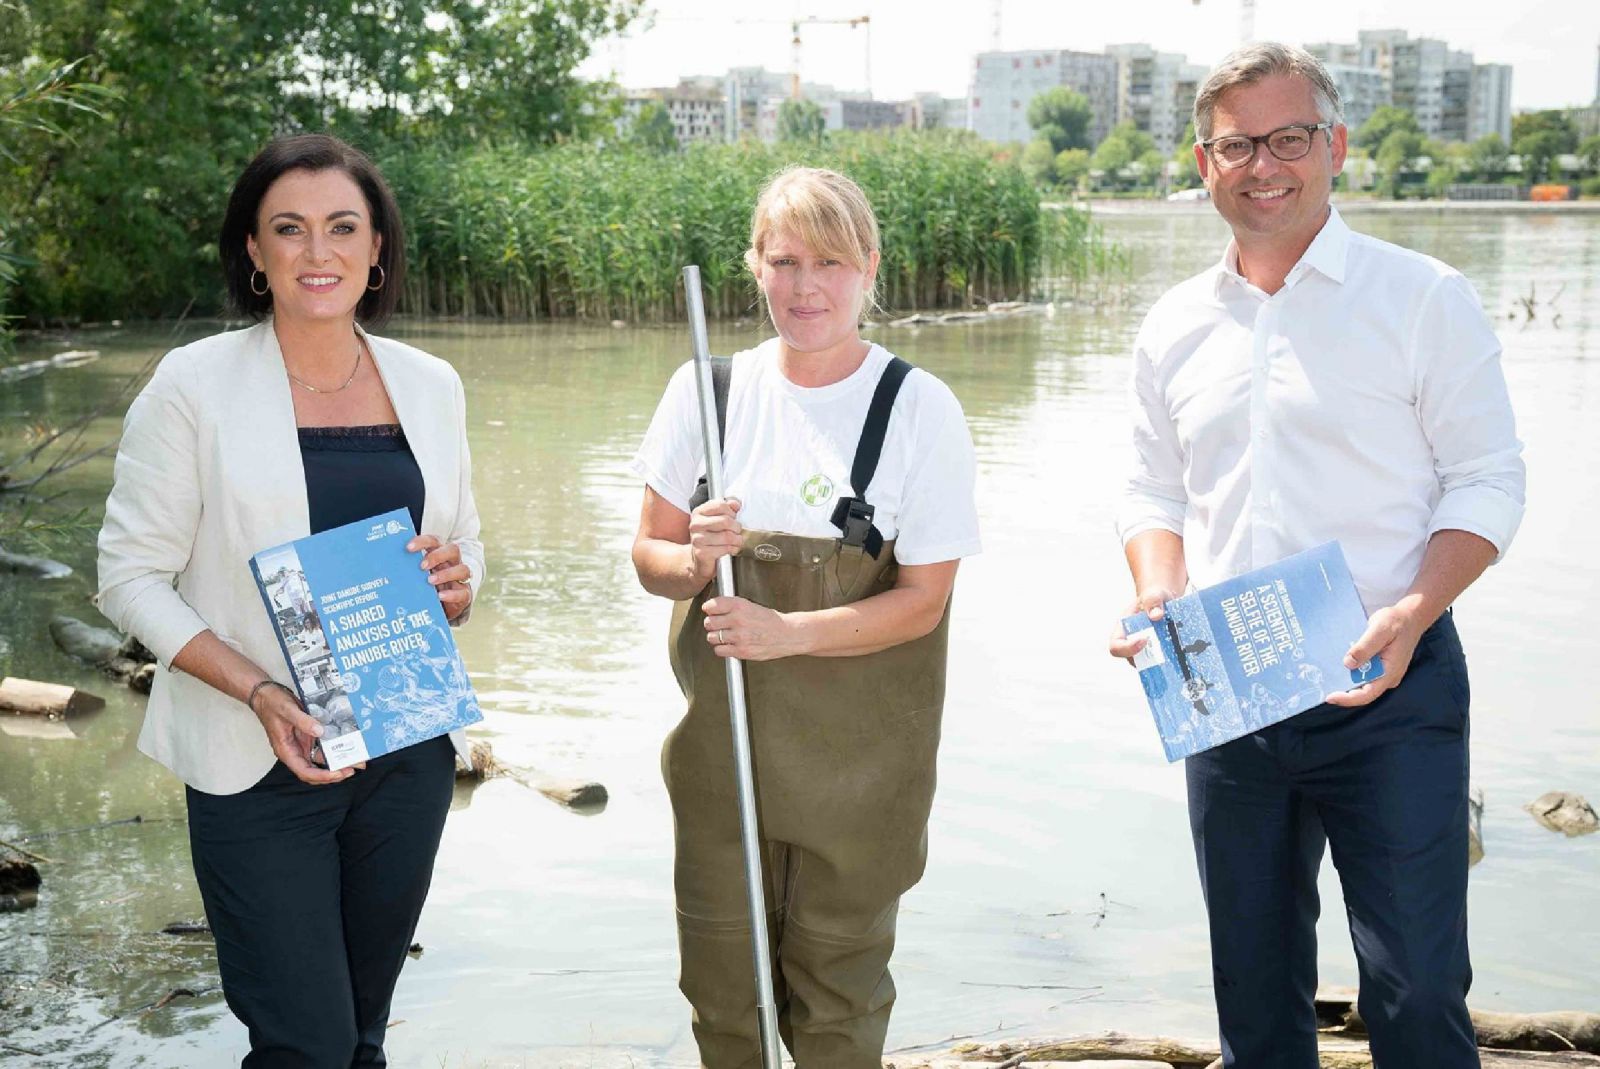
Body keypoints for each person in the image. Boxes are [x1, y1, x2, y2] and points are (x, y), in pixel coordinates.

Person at [1109, 43, 1525, 1069]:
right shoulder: (1172, 325)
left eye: (1288, 138)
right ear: (1203, 165)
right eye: (1236, 145)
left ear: (1333, 146)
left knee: (1417, 988)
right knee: (1252, 1000)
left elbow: (1487, 481)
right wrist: (1157, 592)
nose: (1264, 165)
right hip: (1227, 686)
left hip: (1390, 680)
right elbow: (1150, 489)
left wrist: (1415, 610)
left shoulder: (1421, 298)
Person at [95, 133, 484, 1067]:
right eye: (290, 229)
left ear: (378, 247)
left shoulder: (431, 384)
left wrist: (458, 583)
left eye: (344, 227)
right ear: (254, 254)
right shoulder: (193, 385)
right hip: (253, 757)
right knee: (301, 1041)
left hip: (405, 746)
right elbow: (128, 574)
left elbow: (463, 542)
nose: (320, 252)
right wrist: (262, 694)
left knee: (359, 1031)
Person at [630, 166, 980, 1067]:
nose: (805, 286)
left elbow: (923, 601)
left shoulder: (918, 409)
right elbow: (650, 561)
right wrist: (698, 560)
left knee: (838, 1005)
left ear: (869, 267)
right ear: (754, 266)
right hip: (722, 762)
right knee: (723, 999)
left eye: (829, 261)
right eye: (784, 260)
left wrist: (789, 635)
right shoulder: (705, 392)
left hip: (862, 773)